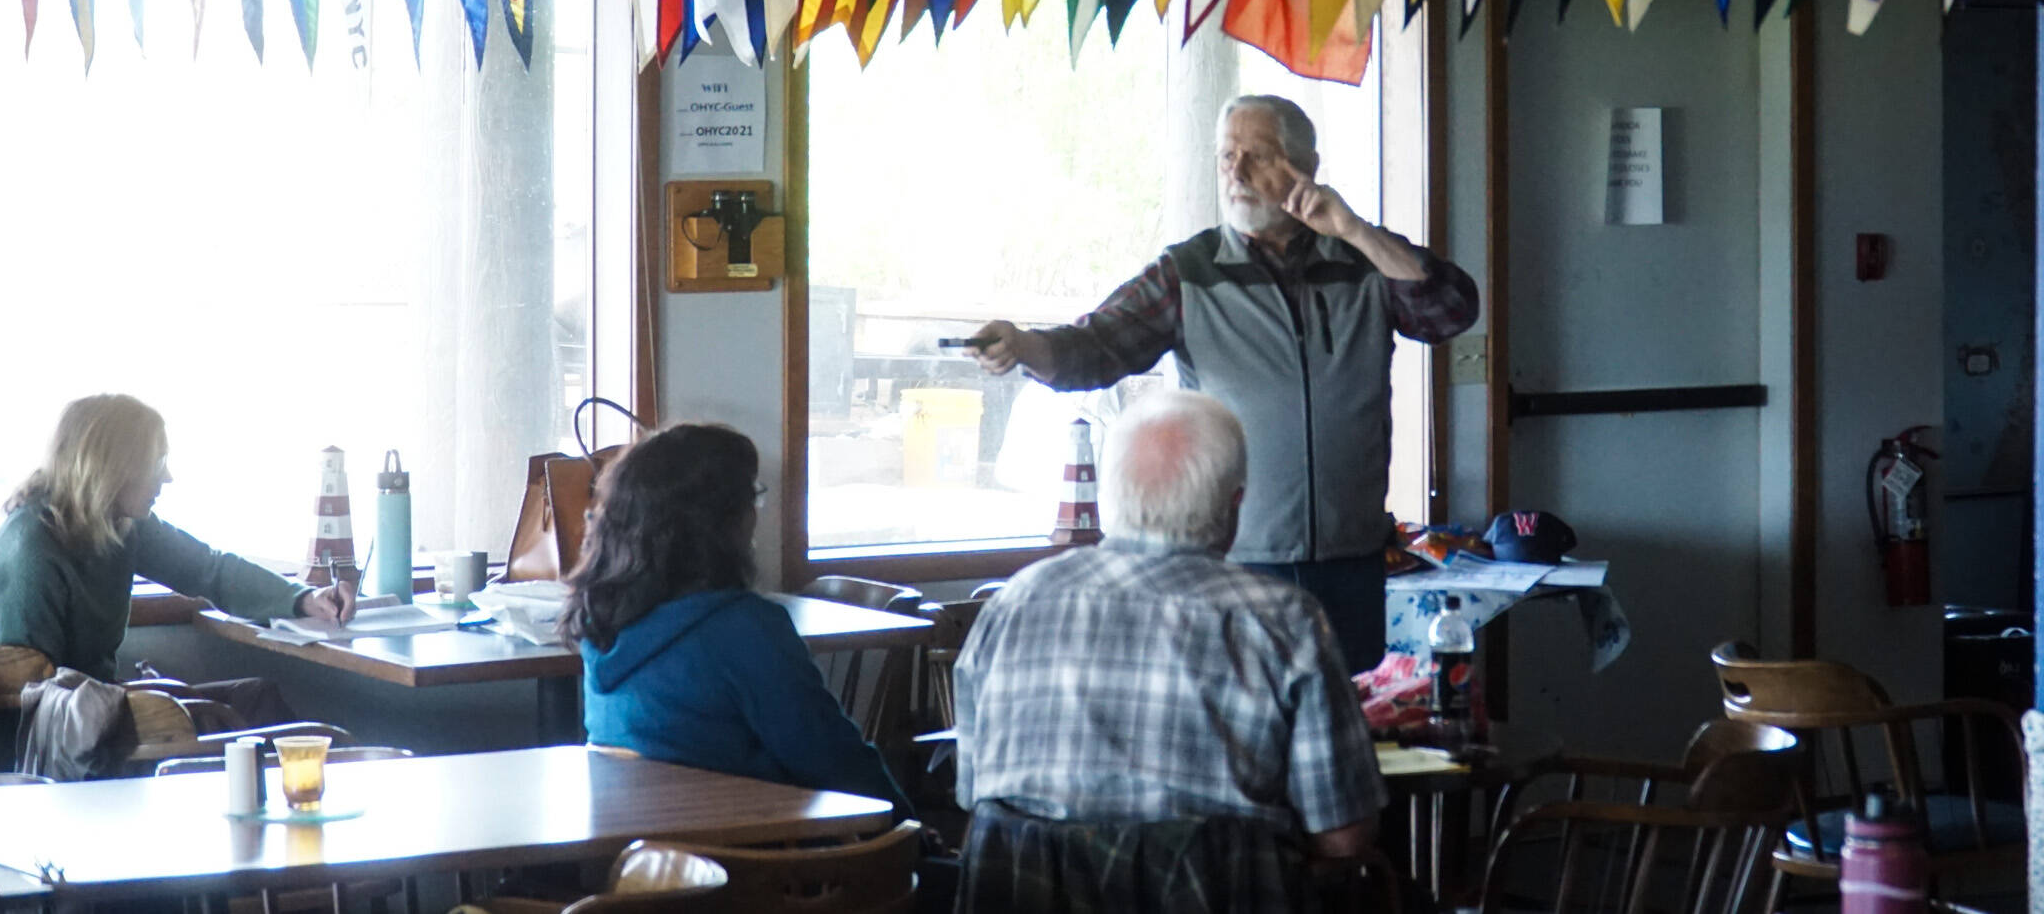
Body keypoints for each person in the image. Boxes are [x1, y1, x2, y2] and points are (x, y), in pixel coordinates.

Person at [970, 94, 1479, 671]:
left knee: (1351, 731)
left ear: (1304, 167)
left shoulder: (1362, 263)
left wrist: (1355, 230)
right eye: (1225, 157)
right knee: (1241, 739)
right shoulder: (1190, 270)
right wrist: (1024, 346)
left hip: (1351, 560)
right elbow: (1097, 347)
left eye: (1255, 157)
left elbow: (1451, 312)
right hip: (1233, 562)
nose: (1234, 173)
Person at [953, 391, 1385, 907]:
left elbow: (973, 795)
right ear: (1235, 503)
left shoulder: (1012, 603)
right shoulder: (1283, 620)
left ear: (1112, 493)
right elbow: (1344, 836)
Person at [561, 422, 910, 817]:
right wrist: (912, 831)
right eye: (752, 498)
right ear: (718, 520)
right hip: (748, 859)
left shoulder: (599, 620)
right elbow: (830, 758)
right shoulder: (745, 628)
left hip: (635, 857)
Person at [0, 394, 354, 733]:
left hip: (100, 705)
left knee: (257, 698)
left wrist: (304, 599)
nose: (167, 477)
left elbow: (208, 569)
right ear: (111, 469)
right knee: (231, 718)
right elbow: (34, 700)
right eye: (156, 463)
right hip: (67, 732)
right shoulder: (33, 548)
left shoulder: (120, 523)